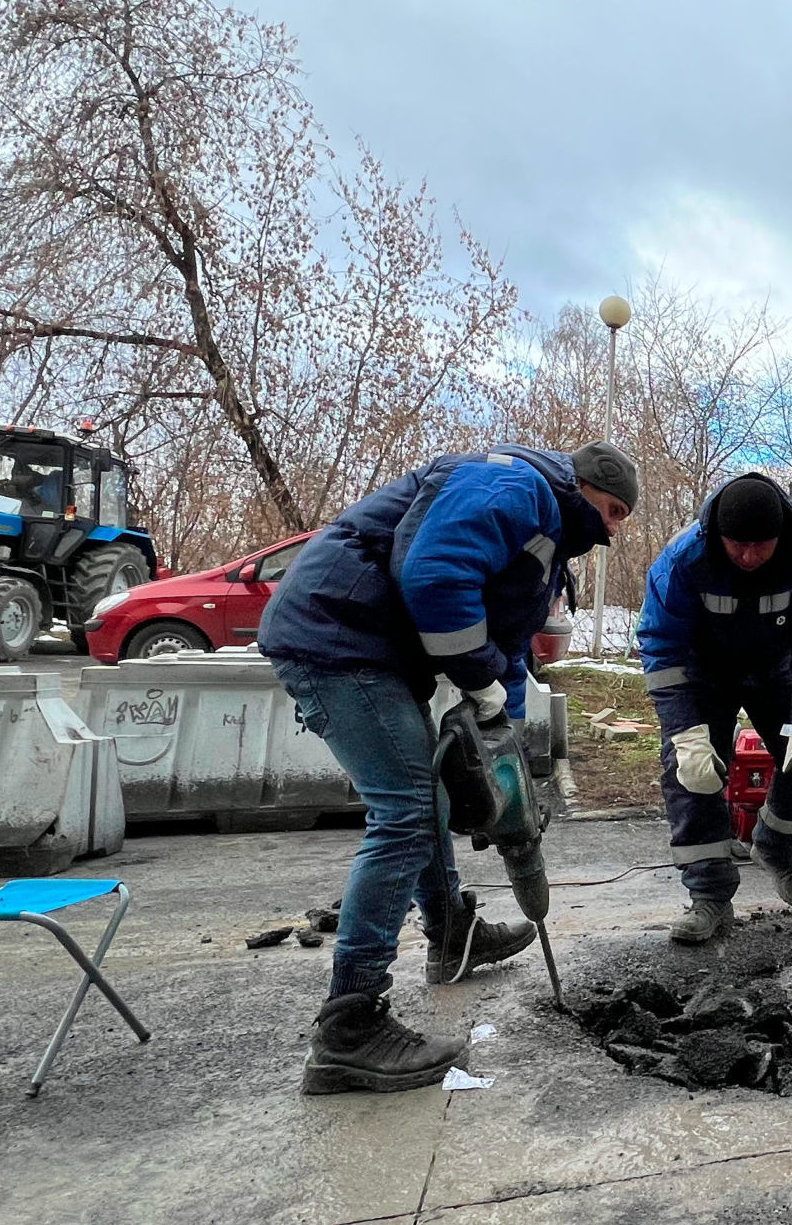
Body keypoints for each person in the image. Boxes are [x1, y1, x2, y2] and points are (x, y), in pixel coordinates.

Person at [257, 440, 640, 1089]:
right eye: (611, 510)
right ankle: (348, 1029)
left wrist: (508, 731)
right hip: (336, 630)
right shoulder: (517, 489)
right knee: (405, 811)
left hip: (368, 641)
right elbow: (434, 576)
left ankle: (452, 936)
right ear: (582, 487)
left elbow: (509, 647)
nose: (611, 527)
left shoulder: (544, 529)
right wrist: (480, 683)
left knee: (426, 798)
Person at [637, 472, 792, 944]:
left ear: (780, 537)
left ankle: (775, 845)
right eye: (737, 546)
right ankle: (709, 896)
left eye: (760, 547)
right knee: (688, 773)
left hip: (776, 669)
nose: (749, 557)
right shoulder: (685, 560)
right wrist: (685, 731)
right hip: (703, 673)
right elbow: (661, 645)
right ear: (718, 537)